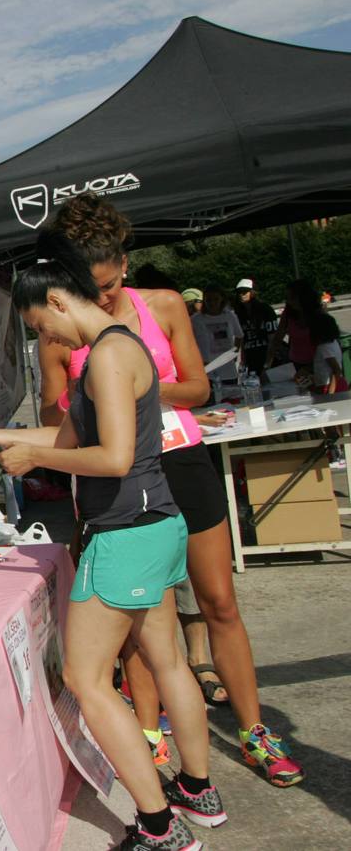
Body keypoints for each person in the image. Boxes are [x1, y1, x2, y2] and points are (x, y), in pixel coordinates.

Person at [0, 234, 223, 851]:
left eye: (42, 325)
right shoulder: (119, 348)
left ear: (59, 302)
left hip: (125, 532)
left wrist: (29, 455)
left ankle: (158, 826)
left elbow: (114, 456)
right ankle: (197, 790)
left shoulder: (103, 358)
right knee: (167, 660)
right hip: (156, 523)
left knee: (86, 678)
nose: (48, 339)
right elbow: (68, 436)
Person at [37, 194, 303, 788]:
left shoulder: (160, 307)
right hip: (115, 481)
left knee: (218, 603)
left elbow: (199, 387)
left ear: (124, 266)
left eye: (107, 285)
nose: (100, 299)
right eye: (88, 287)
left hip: (180, 459)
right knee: (138, 620)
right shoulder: (58, 327)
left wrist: (135, 389)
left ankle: (255, 729)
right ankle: (152, 737)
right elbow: (60, 415)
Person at [267, 278, 322, 378]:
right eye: (287, 298)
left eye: (292, 298)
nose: (289, 301)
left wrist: (309, 368)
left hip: (316, 364)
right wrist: (266, 365)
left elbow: (326, 348)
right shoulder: (288, 313)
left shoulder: (318, 315)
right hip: (295, 364)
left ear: (303, 297)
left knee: (316, 391)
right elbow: (277, 340)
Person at [190, 288, 243, 382]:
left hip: (228, 368)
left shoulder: (230, 316)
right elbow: (189, 342)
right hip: (207, 369)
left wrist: (233, 354)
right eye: (208, 300)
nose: (212, 303)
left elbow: (239, 335)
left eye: (216, 299)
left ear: (222, 299)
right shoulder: (196, 320)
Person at [233, 278, 277, 382]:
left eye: (244, 292)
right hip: (251, 360)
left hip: (266, 356)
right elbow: (241, 339)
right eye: (239, 292)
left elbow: (273, 338)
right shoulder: (239, 313)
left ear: (253, 292)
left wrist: (267, 363)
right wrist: (242, 361)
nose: (241, 294)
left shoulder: (265, 310)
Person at [310, 310, 348, 394]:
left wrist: (331, 391)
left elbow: (336, 370)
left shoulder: (324, 347)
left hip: (330, 385)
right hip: (338, 383)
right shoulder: (333, 342)